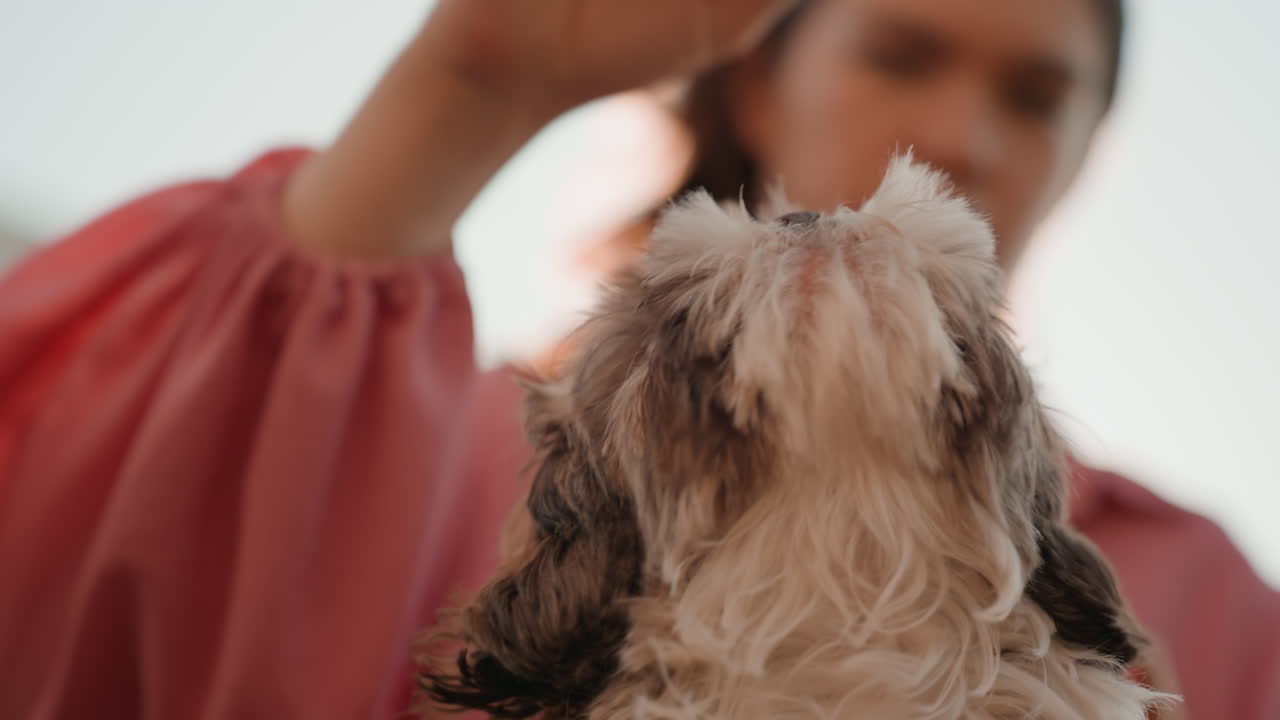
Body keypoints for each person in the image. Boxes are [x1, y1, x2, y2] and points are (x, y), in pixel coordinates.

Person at [0, 1, 1275, 718]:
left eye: (1037, 96)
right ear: (755, 75)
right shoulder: (447, 468)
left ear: (1084, 150)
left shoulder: (1210, 607)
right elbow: (93, 557)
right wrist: (475, 80)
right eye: (899, 53)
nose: (961, 131)